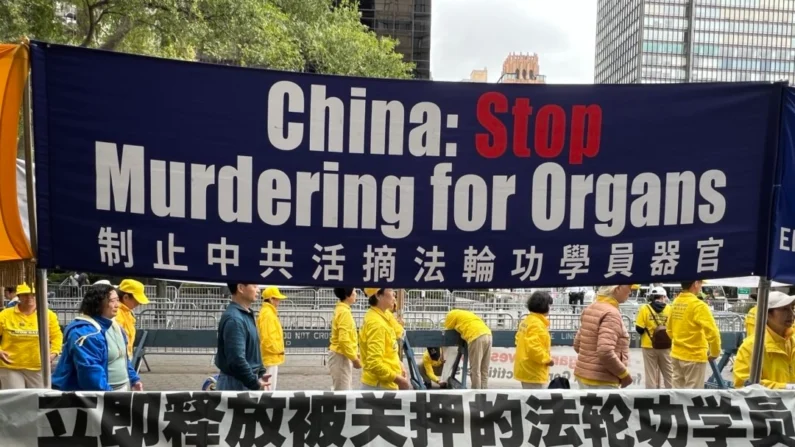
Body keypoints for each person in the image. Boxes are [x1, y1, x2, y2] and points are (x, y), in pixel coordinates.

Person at [52, 284, 141, 391]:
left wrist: (134, 379)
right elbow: (90, 375)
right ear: (98, 303)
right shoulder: (85, 333)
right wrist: (111, 396)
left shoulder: (115, 325)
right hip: (101, 396)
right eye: (112, 301)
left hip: (119, 390)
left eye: (117, 300)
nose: (117, 305)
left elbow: (124, 358)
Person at [0, 283, 62, 389]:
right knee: (16, 401)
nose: (29, 298)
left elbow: (56, 336)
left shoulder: (48, 315)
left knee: (38, 401)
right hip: (10, 366)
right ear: (18, 296)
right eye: (25, 294)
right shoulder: (5, 315)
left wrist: (54, 353)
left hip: (38, 366)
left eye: (33, 294)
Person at [573, 285, 633, 389]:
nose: (630, 292)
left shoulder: (590, 308)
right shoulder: (611, 313)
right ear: (617, 289)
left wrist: (589, 362)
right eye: (629, 288)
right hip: (602, 381)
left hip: (583, 376)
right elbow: (605, 351)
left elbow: (577, 345)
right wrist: (624, 374)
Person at [666, 280, 721, 389]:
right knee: (693, 395)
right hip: (694, 356)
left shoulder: (676, 302)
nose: (701, 287)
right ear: (695, 283)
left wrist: (679, 341)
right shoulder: (698, 305)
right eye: (701, 283)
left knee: (678, 391)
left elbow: (669, 330)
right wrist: (715, 352)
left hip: (676, 354)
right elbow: (713, 332)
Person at [734, 291, 795, 389]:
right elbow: (743, 383)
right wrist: (786, 388)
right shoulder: (750, 347)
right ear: (767, 314)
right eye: (784, 309)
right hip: (768, 404)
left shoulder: (792, 341)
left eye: (792, 308)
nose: (791, 314)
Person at [215, 283, 270, 391]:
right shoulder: (235, 319)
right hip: (238, 384)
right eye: (254, 286)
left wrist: (261, 372)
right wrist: (254, 383)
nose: (258, 290)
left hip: (244, 381)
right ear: (240, 288)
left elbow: (253, 350)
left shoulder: (245, 315)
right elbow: (236, 359)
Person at [359, 288, 410, 390]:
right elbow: (375, 363)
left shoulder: (382, 315)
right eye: (390, 290)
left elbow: (388, 348)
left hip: (382, 384)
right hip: (380, 386)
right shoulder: (377, 324)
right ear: (378, 295)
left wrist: (399, 364)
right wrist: (399, 380)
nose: (394, 294)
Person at [514, 291, 555, 389]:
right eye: (549, 305)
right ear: (544, 306)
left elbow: (517, 339)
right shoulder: (537, 324)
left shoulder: (527, 320)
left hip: (525, 368)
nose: (550, 308)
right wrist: (547, 360)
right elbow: (534, 348)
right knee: (536, 402)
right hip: (533, 371)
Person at [634, 286, 673, 388]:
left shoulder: (644, 308)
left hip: (648, 345)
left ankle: (651, 398)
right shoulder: (670, 309)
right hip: (666, 345)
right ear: (663, 296)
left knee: (650, 374)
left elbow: (639, 329)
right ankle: (672, 396)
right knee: (669, 374)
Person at [444, 309, 492, 389]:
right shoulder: (467, 314)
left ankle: (476, 394)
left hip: (475, 336)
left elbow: (447, 332)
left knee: (475, 369)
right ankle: (484, 392)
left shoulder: (450, 315)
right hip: (488, 334)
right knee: (484, 368)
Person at [328, 287, 361, 391]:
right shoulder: (344, 313)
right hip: (341, 356)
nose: (356, 294)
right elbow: (344, 340)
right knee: (343, 393)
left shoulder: (342, 310)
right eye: (354, 291)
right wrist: (354, 359)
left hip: (341, 355)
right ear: (348, 295)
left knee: (342, 388)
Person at [257, 286, 286, 390]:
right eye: (277, 299)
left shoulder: (268, 313)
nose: (279, 301)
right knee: (268, 389)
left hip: (271, 356)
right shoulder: (268, 314)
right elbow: (267, 338)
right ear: (271, 299)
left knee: (267, 387)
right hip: (270, 357)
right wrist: (278, 350)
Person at [115, 279, 149, 360]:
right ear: (126, 297)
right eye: (136, 301)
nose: (139, 304)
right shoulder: (117, 313)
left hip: (125, 354)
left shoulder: (126, 312)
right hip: (120, 357)